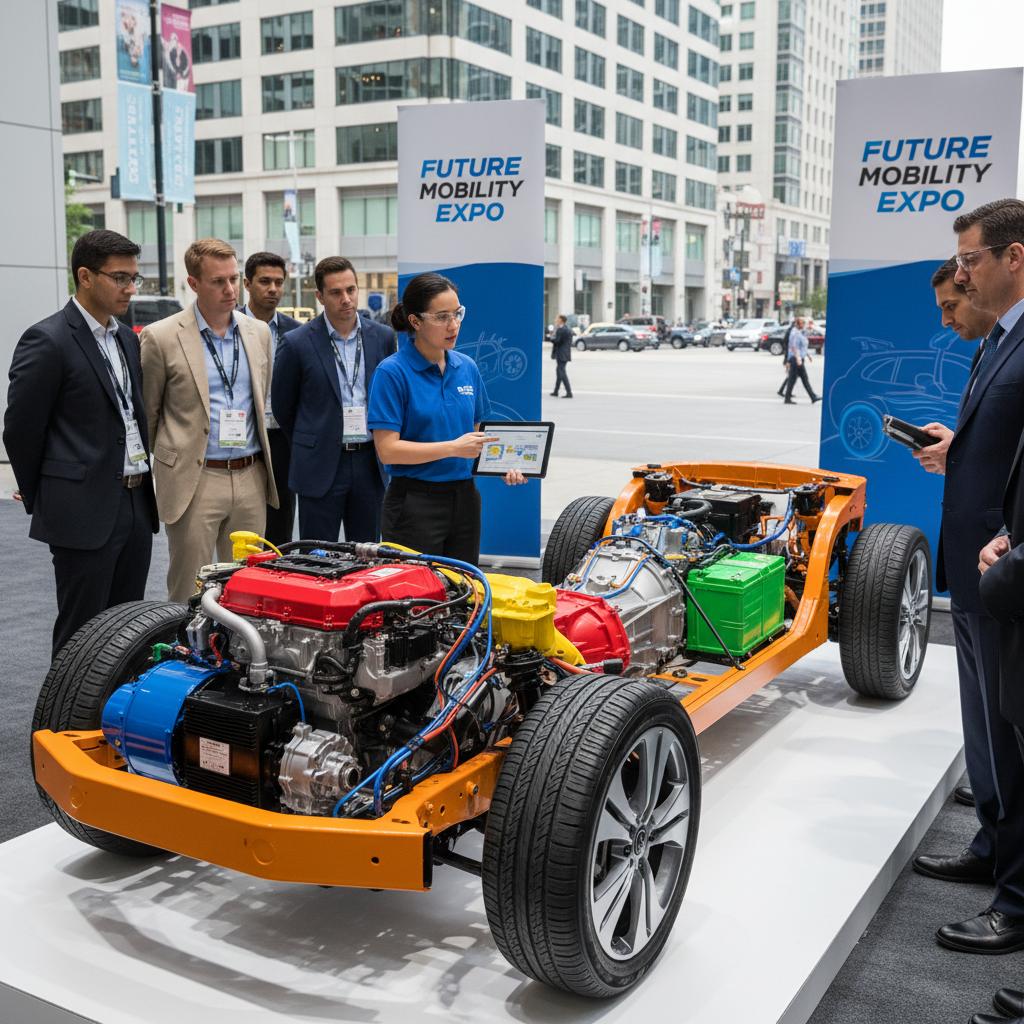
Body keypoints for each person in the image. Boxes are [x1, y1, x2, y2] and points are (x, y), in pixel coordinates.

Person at [912, 200, 1024, 955]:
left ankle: (1015, 899)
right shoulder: (998, 342)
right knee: (984, 727)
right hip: (979, 564)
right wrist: (960, 444)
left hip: (1006, 569)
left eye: (970, 260)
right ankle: (993, 846)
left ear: (1014, 257)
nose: (960, 276)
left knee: (1009, 736)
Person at [3, 230, 158, 656]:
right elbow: (20, 429)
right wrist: (45, 494)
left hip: (136, 501)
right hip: (81, 509)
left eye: (134, 278)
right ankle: (65, 703)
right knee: (80, 634)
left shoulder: (126, 338)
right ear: (85, 276)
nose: (130, 288)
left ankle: (114, 702)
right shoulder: (48, 339)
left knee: (126, 631)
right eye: (120, 278)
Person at [141, 238, 277, 602]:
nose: (230, 289)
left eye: (233, 278)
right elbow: (149, 414)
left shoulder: (259, 333)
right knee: (190, 589)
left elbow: (260, 396)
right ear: (193, 283)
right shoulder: (161, 337)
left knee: (249, 589)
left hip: (250, 474)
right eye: (218, 281)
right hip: (194, 478)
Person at [367, 272, 525, 564]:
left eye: (457, 314)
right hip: (413, 502)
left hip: (464, 499)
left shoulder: (467, 367)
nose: (453, 325)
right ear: (415, 321)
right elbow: (388, 450)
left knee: (463, 585)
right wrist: (453, 448)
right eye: (442, 317)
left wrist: (503, 464)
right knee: (417, 588)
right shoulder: (392, 372)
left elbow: (477, 436)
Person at [271, 256, 396, 543]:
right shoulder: (297, 342)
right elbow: (283, 406)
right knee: (317, 555)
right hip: (320, 463)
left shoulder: (383, 337)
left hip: (369, 462)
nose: (346, 299)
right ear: (320, 296)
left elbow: (389, 396)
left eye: (351, 290)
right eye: (336, 292)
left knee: (367, 551)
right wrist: (313, 437)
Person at [241, 252, 301, 546]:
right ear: (247, 284)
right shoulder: (230, 326)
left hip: (283, 438)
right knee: (242, 527)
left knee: (281, 526)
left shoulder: (297, 333)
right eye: (265, 281)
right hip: (243, 436)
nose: (273, 289)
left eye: (279, 282)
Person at [782, 317, 820, 404]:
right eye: (803, 323)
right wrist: (798, 358)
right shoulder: (795, 333)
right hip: (796, 359)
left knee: (800, 378)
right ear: (798, 324)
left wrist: (808, 355)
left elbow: (802, 346)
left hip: (798, 358)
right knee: (795, 379)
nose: (804, 325)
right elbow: (794, 347)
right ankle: (812, 396)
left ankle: (812, 397)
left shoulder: (800, 332)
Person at [550, 314, 573, 398]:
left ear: (561, 320)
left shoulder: (561, 330)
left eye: (557, 318)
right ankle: (556, 391)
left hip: (561, 354)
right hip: (565, 353)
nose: (556, 320)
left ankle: (569, 392)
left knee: (561, 372)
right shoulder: (567, 329)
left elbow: (557, 341)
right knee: (559, 372)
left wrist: (551, 337)